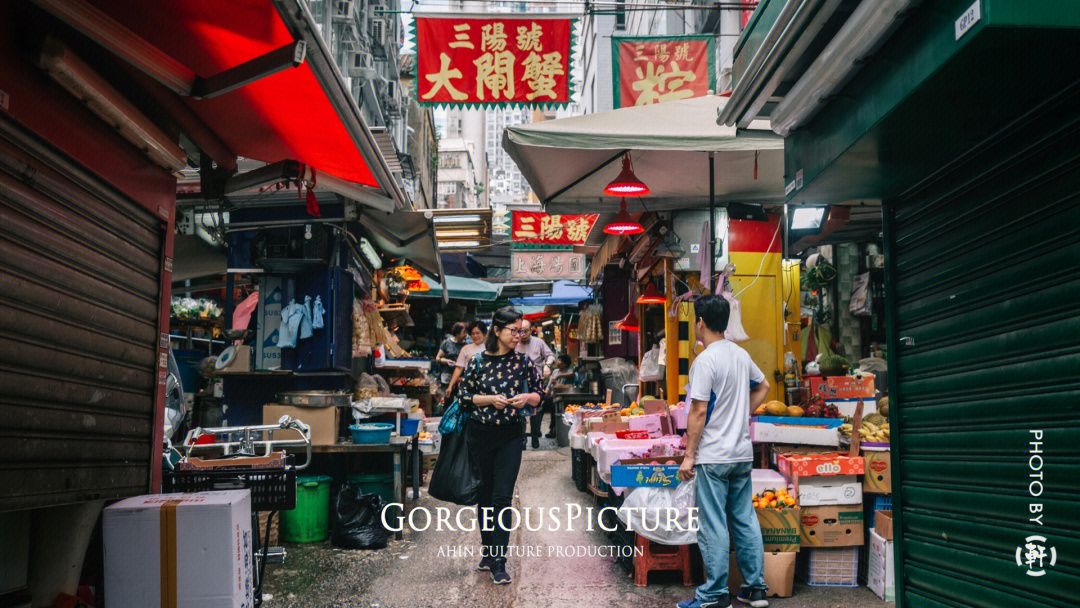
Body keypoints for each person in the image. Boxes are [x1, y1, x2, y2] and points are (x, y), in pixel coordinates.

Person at [677, 295, 772, 608]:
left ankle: (715, 595)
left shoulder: (705, 360)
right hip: (741, 453)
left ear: (701, 322)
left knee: (714, 524)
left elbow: (698, 411)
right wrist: (743, 413)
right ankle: (755, 589)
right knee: (744, 519)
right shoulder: (739, 354)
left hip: (714, 457)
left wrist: (689, 455)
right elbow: (764, 386)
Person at [457, 307, 543, 584]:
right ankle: (488, 551)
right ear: (497, 331)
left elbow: (540, 394)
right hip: (479, 435)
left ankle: (499, 562)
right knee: (484, 498)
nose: (519, 335)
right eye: (513, 330)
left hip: (511, 435)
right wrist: (490, 399)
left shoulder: (523, 362)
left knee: (502, 499)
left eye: (521, 330)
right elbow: (464, 397)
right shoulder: (477, 362)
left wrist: (526, 398)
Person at [515, 319, 555, 448]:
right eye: (520, 331)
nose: (522, 334)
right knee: (518, 409)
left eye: (525, 331)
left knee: (537, 410)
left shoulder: (539, 342)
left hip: (536, 382)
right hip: (518, 382)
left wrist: (547, 365)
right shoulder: (514, 342)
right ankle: (522, 439)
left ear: (531, 329)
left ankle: (535, 436)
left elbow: (551, 356)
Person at [443, 320, 487, 402]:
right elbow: (459, 368)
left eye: (478, 333)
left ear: (484, 333)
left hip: (485, 385)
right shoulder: (466, 349)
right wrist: (450, 386)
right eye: (473, 333)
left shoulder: (490, 349)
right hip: (468, 386)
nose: (475, 336)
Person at [436, 322, 467, 389]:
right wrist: (447, 361)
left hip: (460, 378)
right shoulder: (447, 343)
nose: (465, 335)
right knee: (447, 397)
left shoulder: (466, 345)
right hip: (447, 377)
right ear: (457, 333)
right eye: (464, 332)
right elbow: (438, 358)